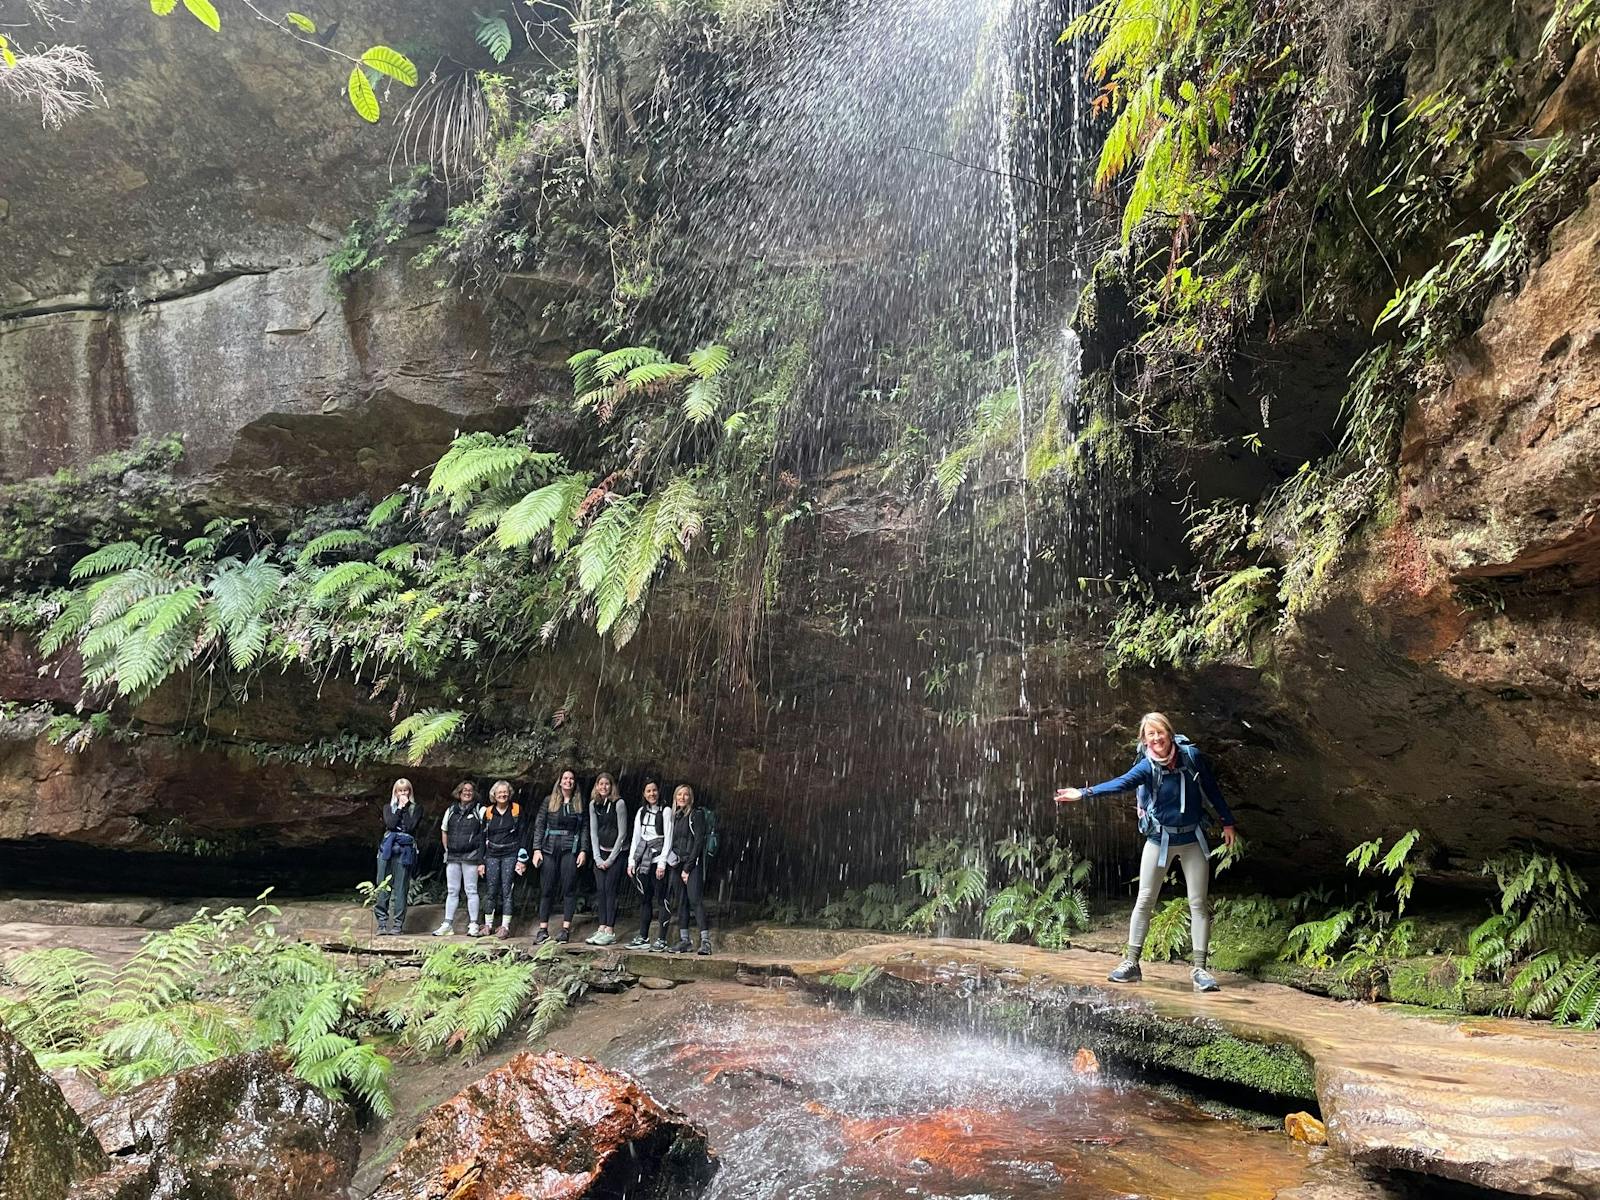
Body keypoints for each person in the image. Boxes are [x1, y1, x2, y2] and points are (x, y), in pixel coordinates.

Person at [1055, 711, 1237, 992]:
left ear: (1169, 733)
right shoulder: (1146, 767)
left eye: (1159, 733)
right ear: (1144, 740)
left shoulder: (1191, 757)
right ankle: (1131, 963)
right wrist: (1083, 793)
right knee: (1144, 901)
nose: (1156, 739)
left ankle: (1200, 970)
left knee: (1198, 903)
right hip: (1159, 840)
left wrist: (1227, 822)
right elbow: (1120, 783)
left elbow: (1212, 789)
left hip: (1192, 840)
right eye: (1150, 735)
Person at [531, 768, 588, 944]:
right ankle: (542, 929)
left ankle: (565, 929)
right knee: (547, 888)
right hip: (548, 848)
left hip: (570, 848)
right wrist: (536, 849)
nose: (568, 781)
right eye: (565, 778)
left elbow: (584, 828)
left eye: (571, 778)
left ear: (574, 782)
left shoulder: (579, 803)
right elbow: (539, 825)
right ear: (560, 781)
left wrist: (583, 850)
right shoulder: (549, 801)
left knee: (569, 889)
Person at [434, 780, 487, 937]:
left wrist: (480, 856)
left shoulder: (480, 810)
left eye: (470, 790)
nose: (467, 792)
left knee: (471, 890)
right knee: (452, 890)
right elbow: (444, 830)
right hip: (453, 856)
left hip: (471, 856)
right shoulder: (451, 810)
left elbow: (485, 832)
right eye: (464, 790)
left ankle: (473, 924)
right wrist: (447, 849)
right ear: (458, 792)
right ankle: (447, 924)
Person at [665, 784, 712, 955]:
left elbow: (698, 842)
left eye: (686, 795)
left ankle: (705, 941)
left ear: (690, 798)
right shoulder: (675, 816)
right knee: (681, 902)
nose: (682, 798)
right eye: (679, 795)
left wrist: (688, 868)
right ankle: (685, 940)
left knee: (695, 900)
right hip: (677, 864)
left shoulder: (696, 815)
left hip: (693, 863)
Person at [627, 780, 674, 951]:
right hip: (643, 861)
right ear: (644, 794)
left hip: (658, 860)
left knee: (662, 899)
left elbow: (668, 838)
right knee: (645, 899)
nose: (652, 794)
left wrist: (662, 862)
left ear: (659, 792)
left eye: (654, 790)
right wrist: (631, 861)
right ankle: (643, 936)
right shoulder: (641, 812)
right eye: (648, 791)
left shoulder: (666, 811)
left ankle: (662, 938)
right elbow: (636, 838)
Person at [480, 780, 528, 940]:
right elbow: (482, 837)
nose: (502, 795)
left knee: (507, 890)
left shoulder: (516, 810)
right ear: (494, 795)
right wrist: (481, 861)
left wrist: (522, 860)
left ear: (509, 793)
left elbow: (523, 835)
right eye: (499, 792)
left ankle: (505, 926)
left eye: (505, 792)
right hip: (492, 854)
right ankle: (488, 925)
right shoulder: (487, 812)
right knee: (491, 889)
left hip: (510, 853)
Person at [586, 772, 628, 946]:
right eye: (600, 784)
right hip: (600, 853)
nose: (604, 787)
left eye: (607, 784)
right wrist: (596, 857)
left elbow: (622, 833)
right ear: (596, 786)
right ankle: (602, 926)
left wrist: (610, 859)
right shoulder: (593, 805)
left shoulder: (619, 804)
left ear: (612, 786)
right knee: (601, 890)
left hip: (617, 853)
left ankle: (610, 929)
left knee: (610, 889)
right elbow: (593, 833)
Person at [375, 778, 421, 936]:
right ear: (395, 792)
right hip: (387, 850)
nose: (403, 793)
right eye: (400, 791)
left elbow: (410, 827)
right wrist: (400, 808)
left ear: (410, 792)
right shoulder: (388, 807)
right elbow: (391, 824)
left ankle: (397, 925)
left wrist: (406, 807)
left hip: (404, 851)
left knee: (401, 888)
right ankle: (381, 923)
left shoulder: (416, 808)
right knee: (382, 886)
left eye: (406, 790)